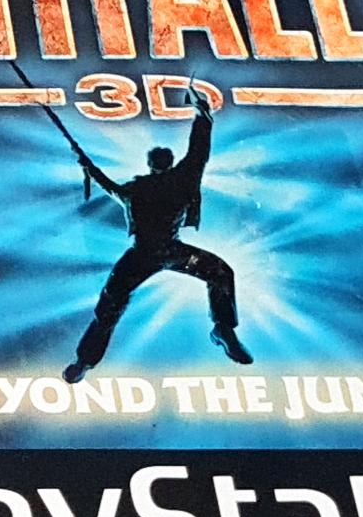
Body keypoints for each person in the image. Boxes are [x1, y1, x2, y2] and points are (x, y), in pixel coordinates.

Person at [62, 89, 249, 382]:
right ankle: (222, 328)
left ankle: (84, 361)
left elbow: (108, 185)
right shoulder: (180, 180)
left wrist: (88, 166)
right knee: (219, 273)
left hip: (150, 254)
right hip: (165, 253)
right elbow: (198, 151)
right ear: (169, 162)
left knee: (111, 306)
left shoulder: (140, 189)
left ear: (151, 164)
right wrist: (202, 117)